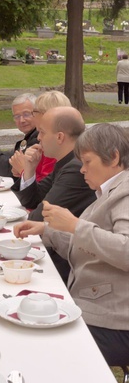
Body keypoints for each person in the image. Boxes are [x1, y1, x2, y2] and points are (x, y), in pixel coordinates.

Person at [14, 123, 129, 367]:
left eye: (88, 162)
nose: (82, 170)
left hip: (115, 322)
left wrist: (76, 225)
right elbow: (90, 248)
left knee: (33, 336)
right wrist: (48, 230)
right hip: (96, 307)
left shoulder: (125, 193)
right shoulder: (109, 191)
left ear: (114, 157)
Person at [12, 106, 96, 283]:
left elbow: (36, 217)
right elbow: (32, 199)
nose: (39, 137)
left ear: (59, 137)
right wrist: (29, 169)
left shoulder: (75, 167)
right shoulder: (65, 161)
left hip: (68, 263)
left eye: (42, 132)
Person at [8, 90, 72, 181]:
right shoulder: (49, 147)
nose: (38, 137)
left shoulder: (58, 151)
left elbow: (45, 190)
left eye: (42, 132)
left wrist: (24, 171)